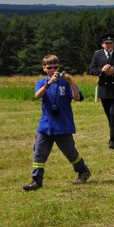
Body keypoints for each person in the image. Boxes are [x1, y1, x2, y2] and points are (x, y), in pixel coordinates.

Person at [24, 54, 91, 191]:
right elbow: (37, 96)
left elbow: (78, 98)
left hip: (63, 125)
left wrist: (71, 82)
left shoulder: (65, 82)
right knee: (39, 153)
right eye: (50, 67)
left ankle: (83, 171)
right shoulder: (41, 82)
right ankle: (36, 181)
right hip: (46, 125)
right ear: (44, 68)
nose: (53, 70)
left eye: (56, 67)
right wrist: (49, 83)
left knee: (70, 153)